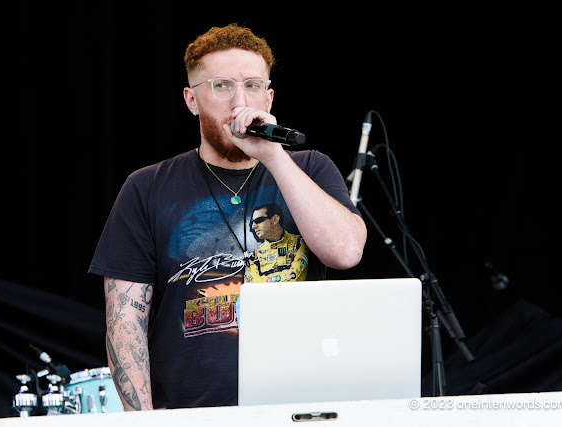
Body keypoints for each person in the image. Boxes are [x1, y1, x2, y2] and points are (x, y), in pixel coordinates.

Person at [89, 23, 367, 411]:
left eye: (252, 86)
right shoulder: (146, 187)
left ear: (269, 98)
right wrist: (144, 421)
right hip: (190, 412)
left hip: (301, 408)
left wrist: (271, 155)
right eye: (222, 86)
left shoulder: (309, 169)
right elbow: (125, 323)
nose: (240, 102)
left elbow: (346, 252)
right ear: (191, 100)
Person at [245, 203, 309, 283]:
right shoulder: (255, 255)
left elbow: (295, 277)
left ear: (275, 219)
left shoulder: (299, 243)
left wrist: (265, 281)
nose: (253, 226)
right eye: (252, 223)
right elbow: (253, 284)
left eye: (258, 220)